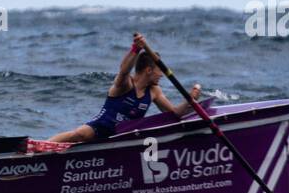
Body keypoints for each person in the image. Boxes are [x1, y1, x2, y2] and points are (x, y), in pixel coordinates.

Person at [49, 34, 200, 144]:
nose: (162, 74)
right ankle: (43, 146)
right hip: (100, 127)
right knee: (81, 134)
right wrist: (135, 49)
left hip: (122, 136)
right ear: (148, 70)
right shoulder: (126, 84)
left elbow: (173, 114)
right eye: (159, 70)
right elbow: (123, 70)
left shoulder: (154, 92)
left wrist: (190, 100)